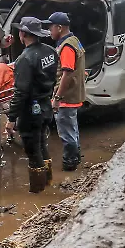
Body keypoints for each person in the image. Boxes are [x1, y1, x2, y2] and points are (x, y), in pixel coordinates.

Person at [8, 18, 58, 193]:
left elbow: (20, 92)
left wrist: (11, 118)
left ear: (22, 34)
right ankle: (48, 181)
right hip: (46, 106)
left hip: (31, 111)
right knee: (42, 143)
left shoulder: (25, 58)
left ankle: (38, 191)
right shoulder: (51, 52)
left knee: (32, 149)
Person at [48, 12, 85, 172]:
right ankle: (76, 157)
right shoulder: (74, 41)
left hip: (66, 97)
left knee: (67, 132)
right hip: (74, 94)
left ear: (59, 27)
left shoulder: (67, 47)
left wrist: (57, 97)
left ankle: (70, 164)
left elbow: (67, 73)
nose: (49, 31)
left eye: (51, 27)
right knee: (72, 128)